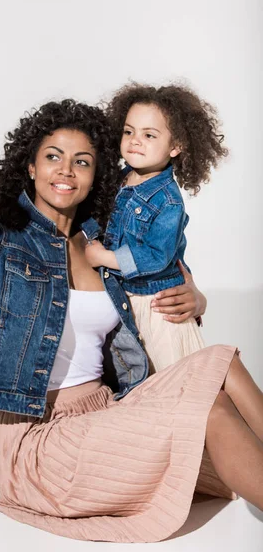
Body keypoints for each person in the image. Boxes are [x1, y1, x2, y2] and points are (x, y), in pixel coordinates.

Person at [0, 100, 262, 544]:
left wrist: (196, 297)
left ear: (96, 176)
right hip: (40, 440)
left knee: (219, 367)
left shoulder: (102, 244)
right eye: (53, 156)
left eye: (82, 161)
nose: (66, 170)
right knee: (212, 419)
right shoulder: (1, 241)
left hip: (110, 412)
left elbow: (162, 278)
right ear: (31, 167)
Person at [85, 82, 227, 374]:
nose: (135, 140)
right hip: (126, 302)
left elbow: (156, 256)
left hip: (156, 309)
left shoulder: (168, 201)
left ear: (176, 146)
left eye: (149, 135)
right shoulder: (119, 180)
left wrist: (105, 258)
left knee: (170, 384)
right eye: (129, 131)